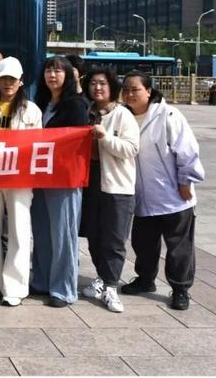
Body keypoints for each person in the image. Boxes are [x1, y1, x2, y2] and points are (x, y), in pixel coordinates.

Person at [120, 70, 204, 311]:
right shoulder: (122, 116)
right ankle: (146, 280)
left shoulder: (168, 115)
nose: (129, 94)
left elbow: (187, 149)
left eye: (135, 89)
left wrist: (185, 180)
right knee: (143, 244)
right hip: (142, 197)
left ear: (148, 91)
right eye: (125, 90)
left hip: (174, 195)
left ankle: (180, 289)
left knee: (178, 247)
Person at [0, 57, 42, 307]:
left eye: (12, 79)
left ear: (21, 81)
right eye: (3, 78)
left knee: (19, 230)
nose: (7, 83)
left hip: (19, 179)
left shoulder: (32, 110)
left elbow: (37, 146)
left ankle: (14, 287)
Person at [79, 67, 139, 313]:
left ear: (112, 87)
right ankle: (102, 278)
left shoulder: (122, 114)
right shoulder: (86, 112)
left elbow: (131, 149)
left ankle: (112, 286)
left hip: (117, 186)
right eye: (93, 83)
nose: (97, 88)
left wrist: (105, 138)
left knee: (114, 238)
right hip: (90, 183)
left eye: (102, 83)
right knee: (94, 236)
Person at [31, 56, 88, 307]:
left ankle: (63, 289)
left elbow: (75, 142)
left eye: (57, 71)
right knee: (42, 232)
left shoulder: (75, 104)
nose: (52, 75)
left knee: (63, 234)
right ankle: (42, 281)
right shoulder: (41, 103)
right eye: (48, 71)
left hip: (64, 179)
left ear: (68, 75)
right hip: (39, 176)